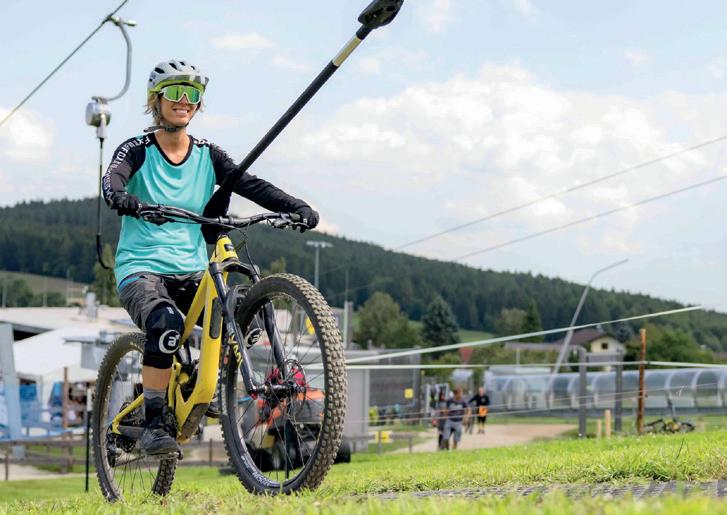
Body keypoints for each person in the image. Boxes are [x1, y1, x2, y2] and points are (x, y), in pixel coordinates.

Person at [103, 60, 318, 456]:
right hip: (142, 270)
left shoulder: (207, 154)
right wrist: (122, 197)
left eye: (193, 94)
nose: (184, 101)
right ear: (156, 100)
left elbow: (250, 184)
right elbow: (113, 178)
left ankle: (216, 384)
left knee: (243, 316)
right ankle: (153, 423)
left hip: (191, 271)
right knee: (166, 326)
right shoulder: (137, 149)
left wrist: (295, 206)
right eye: (174, 92)